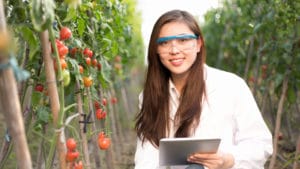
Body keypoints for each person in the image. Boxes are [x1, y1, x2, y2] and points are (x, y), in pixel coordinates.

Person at [134, 9, 273, 169]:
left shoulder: (231, 86)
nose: (174, 50)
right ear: (156, 49)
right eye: (164, 42)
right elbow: (147, 157)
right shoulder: (150, 96)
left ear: (198, 44)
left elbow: (260, 143)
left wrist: (228, 160)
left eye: (183, 40)